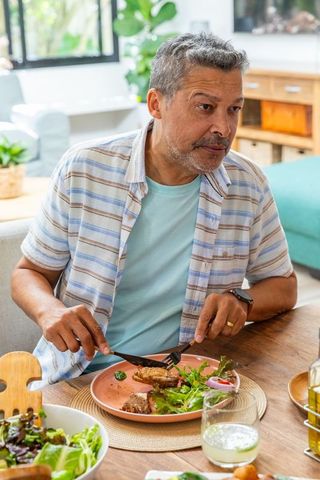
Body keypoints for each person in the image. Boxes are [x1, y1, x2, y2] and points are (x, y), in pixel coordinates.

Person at [11, 33, 297, 386]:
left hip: (187, 379)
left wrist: (243, 299)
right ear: (156, 104)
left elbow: (284, 288)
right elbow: (28, 273)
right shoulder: (83, 169)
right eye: (205, 107)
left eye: (233, 109)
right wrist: (48, 310)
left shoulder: (248, 184)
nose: (223, 128)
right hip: (76, 376)